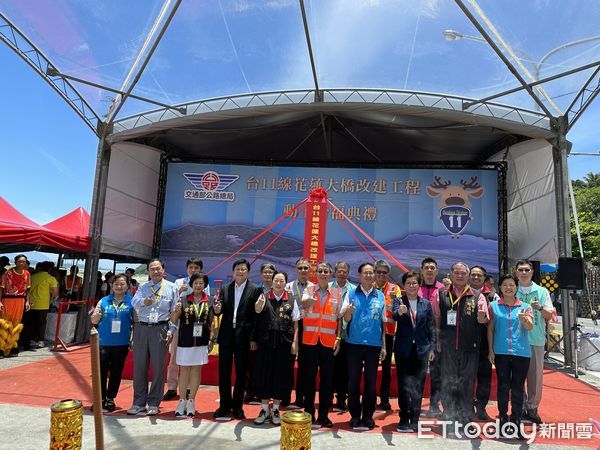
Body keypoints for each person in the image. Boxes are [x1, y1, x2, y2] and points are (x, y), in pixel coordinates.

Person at [436, 262, 489, 430]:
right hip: (448, 347)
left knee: (467, 382)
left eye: (463, 273)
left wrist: (482, 317)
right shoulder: (442, 293)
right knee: (448, 380)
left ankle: (465, 416)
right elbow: (436, 318)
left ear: (467, 276)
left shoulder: (476, 296)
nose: (460, 276)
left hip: (469, 347)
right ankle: (449, 414)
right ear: (451, 274)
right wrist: (437, 340)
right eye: (456, 273)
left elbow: (484, 319)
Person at [127, 258, 179, 416]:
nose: (155, 271)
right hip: (142, 329)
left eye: (158, 269)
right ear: (148, 271)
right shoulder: (143, 287)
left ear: (163, 270)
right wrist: (145, 301)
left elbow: (175, 312)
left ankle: (154, 402)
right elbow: (134, 303)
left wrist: (171, 330)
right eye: (152, 269)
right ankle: (138, 402)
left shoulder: (171, 288)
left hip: (161, 329)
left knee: (158, 367)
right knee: (139, 367)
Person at [212, 258, 261, 420]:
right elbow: (218, 310)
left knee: (241, 374)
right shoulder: (225, 289)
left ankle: (238, 407)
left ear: (248, 272)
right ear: (233, 272)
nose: (240, 272)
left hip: (244, 338)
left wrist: (254, 338)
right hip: (226, 336)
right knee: (223, 373)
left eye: (243, 269)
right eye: (237, 269)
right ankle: (224, 405)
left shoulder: (255, 290)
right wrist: (217, 310)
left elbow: (256, 317)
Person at [342, 262, 387, 430]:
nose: (368, 276)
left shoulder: (380, 296)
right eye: (365, 273)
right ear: (359, 275)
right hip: (353, 344)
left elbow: (383, 322)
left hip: (374, 346)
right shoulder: (351, 293)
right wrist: (348, 312)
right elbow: (345, 319)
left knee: (370, 382)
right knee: (353, 381)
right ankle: (354, 415)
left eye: (371, 273)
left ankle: (368, 416)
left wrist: (383, 345)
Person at [488, 274, 533, 437]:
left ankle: (516, 421)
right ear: (500, 287)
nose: (509, 287)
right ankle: (502, 419)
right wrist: (491, 350)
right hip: (501, 352)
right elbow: (491, 329)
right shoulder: (493, 306)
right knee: (503, 386)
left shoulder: (525, 306)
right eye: (505, 285)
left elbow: (529, 327)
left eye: (512, 285)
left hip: (522, 352)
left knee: (518, 388)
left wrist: (525, 320)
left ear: (516, 287)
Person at [252, 271, 300, 426]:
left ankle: (276, 410)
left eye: (282, 281)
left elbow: (296, 323)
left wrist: (295, 342)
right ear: (271, 282)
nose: (279, 284)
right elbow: (257, 311)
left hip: (284, 345)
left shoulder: (291, 300)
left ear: (285, 283)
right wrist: (259, 304)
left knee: (280, 377)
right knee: (264, 376)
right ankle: (264, 409)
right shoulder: (264, 297)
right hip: (265, 344)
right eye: (276, 281)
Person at [393, 270, 435, 432]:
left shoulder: (426, 304)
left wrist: (432, 347)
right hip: (403, 350)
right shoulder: (399, 301)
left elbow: (431, 327)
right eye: (408, 283)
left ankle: (415, 418)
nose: (412, 285)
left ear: (419, 285)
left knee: (418, 385)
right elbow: (395, 316)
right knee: (404, 385)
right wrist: (400, 312)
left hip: (422, 350)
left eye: (414, 283)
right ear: (404, 285)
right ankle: (404, 417)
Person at [300, 261, 342, 428]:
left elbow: (339, 319)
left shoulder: (337, 293)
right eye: (320, 271)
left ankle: (324, 415)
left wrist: (338, 338)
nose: (323, 274)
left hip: (328, 342)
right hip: (310, 341)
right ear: (315, 274)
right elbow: (303, 305)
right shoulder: (308, 290)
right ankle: (309, 413)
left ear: (330, 274)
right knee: (309, 379)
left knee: (327, 381)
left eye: (326, 271)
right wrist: (306, 302)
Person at [170, 272, 214, 418]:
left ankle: (192, 401)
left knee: (196, 371)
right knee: (184, 371)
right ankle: (181, 401)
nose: (198, 285)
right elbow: (174, 319)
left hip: (201, 342)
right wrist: (175, 310)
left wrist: (211, 339)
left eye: (201, 283)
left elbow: (212, 322)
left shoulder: (210, 301)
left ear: (205, 285)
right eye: (196, 283)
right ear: (191, 284)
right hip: (185, 341)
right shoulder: (183, 300)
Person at [515, 259, 553, 425]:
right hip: (514, 340)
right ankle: (518, 407)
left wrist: (539, 308)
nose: (523, 272)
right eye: (520, 270)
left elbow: (549, 315)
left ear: (532, 272)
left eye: (526, 270)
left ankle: (532, 408)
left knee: (535, 377)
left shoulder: (542, 292)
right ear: (516, 272)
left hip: (535, 340)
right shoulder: (510, 289)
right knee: (515, 377)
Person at [90, 274, 134, 412]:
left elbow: (136, 322)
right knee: (100, 372)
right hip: (103, 342)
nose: (119, 287)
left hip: (121, 343)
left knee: (116, 372)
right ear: (112, 285)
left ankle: (110, 398)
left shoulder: (132, 302)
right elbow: (94, 320)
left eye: (122, 284)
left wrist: (133, 339)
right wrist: (94, 317)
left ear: (127, 286)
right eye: (116, 284)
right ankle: (100, 398)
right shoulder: (103, 301)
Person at [164, 258, 205, 401]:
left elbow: (205, 304)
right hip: (179, 324)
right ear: (187, 268)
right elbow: (173, 304)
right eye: (191, 267)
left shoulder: (203, 283)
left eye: (196, 267)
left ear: (200, 269)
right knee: (174, 356)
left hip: (194, 326)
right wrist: (180, 294)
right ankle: (171, 387)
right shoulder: (178, 283)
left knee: (191, 359)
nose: (193, 270)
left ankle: (187, 388)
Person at [470, 265, 498, 421]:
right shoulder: (462, 294)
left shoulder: (493, 296)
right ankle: (468, 407)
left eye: (479, 275)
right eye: (473, 275)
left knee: (484, 376)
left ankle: (481, 407)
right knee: (467, 376)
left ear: (484, 278)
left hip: (485, 344)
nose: (475, 278)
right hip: (466, 343)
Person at [284, 257, 314, 409]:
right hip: (292, 327)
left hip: (309, 327)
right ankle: (285, 396)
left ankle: (301, 398)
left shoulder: (314, 288)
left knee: (305, 364)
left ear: (310, 270)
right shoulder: (288, 287)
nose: (303, 270)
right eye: (300, 268)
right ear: (296, 270)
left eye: (305, 268)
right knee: (288, 363)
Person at [245, 262, 276, 405]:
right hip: (257, 333)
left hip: (273, 336)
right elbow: (252, 316)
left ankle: (266, 392)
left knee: (267, 365)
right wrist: (252, 338)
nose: (268, 275)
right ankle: (251, 392)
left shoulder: (279, 290)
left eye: (270, 272)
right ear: (261, 274)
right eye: (265, 272)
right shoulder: (256, 290)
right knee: (252, 365)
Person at [418, 257, 445, 417]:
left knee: (436, 373)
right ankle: (415, 404)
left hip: (437, 336)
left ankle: (434, 405)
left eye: (432, 268)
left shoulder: (443, 289)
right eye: (426, 267)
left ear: (437, 270)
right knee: (418, 372)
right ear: (421, 270)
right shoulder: (415, 287)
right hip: (419, 337)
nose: (429, 270)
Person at [373, 259, 400, 411]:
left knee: (386, 368)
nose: (381, 275)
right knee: (370, 368)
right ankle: (369, 398)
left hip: (388, 334)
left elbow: (396, 309)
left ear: (388, 274)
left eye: (384, 272)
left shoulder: (394, 289)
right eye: (379, 272)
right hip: (371, 334)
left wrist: (395, 298)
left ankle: (384, 400)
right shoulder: (369, 287)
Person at [329, 261, 356, 412]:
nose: (341, 273)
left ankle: (341, 398)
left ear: (348, 273)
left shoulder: (353, 290)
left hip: (346, 335)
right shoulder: (328, 287)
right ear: (335, 272)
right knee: (329, 368)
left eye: (344, 271)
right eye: (339, 270)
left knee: (344, 368)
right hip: (329, 333)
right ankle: (328, 398)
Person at [0, 255, 31, 357]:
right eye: (20, 261)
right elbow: (1, 288)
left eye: (24, 261)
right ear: (15, 262)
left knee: (16, 324)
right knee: (4, 323)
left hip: (20, 301)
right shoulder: (7, 273)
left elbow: (27, 290)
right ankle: (1, 348)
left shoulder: (27, 274)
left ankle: (13, 347)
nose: (22, 263)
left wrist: (27, 302)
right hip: (7, 300)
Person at [23, 261, 58, 349]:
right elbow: (55, 293)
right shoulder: (51, 278)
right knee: (42, 322)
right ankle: (41, 340)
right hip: (43, 304)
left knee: (31, 322)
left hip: (31, 302)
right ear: (49, 269)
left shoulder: (32, 276)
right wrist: (53, 298)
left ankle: (30, 339)